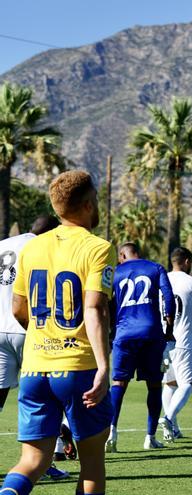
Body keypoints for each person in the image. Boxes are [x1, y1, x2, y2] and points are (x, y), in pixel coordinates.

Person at [1, 171, 114, 495]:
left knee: (31, 460)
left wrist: (42, 335)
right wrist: (103, 367)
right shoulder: (98, 247)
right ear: (90, 204)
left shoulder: (33, 249)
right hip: (78, 367)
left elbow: (19, 309)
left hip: (36, 367)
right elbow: (95, 308)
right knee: (92, 465)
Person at [0, 214, 72, 480]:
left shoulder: (3, 244)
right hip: (30, 329)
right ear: (51, 231)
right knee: (44, 398)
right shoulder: (45, 248)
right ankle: (44, 464)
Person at [105, 242, 174, 452]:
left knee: (118, 383)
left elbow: (106, 301)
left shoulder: (115, 271)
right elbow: (169, 298)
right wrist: (168, 329)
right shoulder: (155, 268)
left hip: (123, 333)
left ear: (122, 255)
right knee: (154, 385)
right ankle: (150, 437)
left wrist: (110, 330)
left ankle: (111, 433)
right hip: (151, 332)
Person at [159, 247, 192, 442]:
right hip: (183, 340)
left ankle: (172, 428)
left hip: (164, 340)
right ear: (187, 261)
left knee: (170, 383)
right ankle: (169, 419)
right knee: (188, 384)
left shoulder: (162, 280)